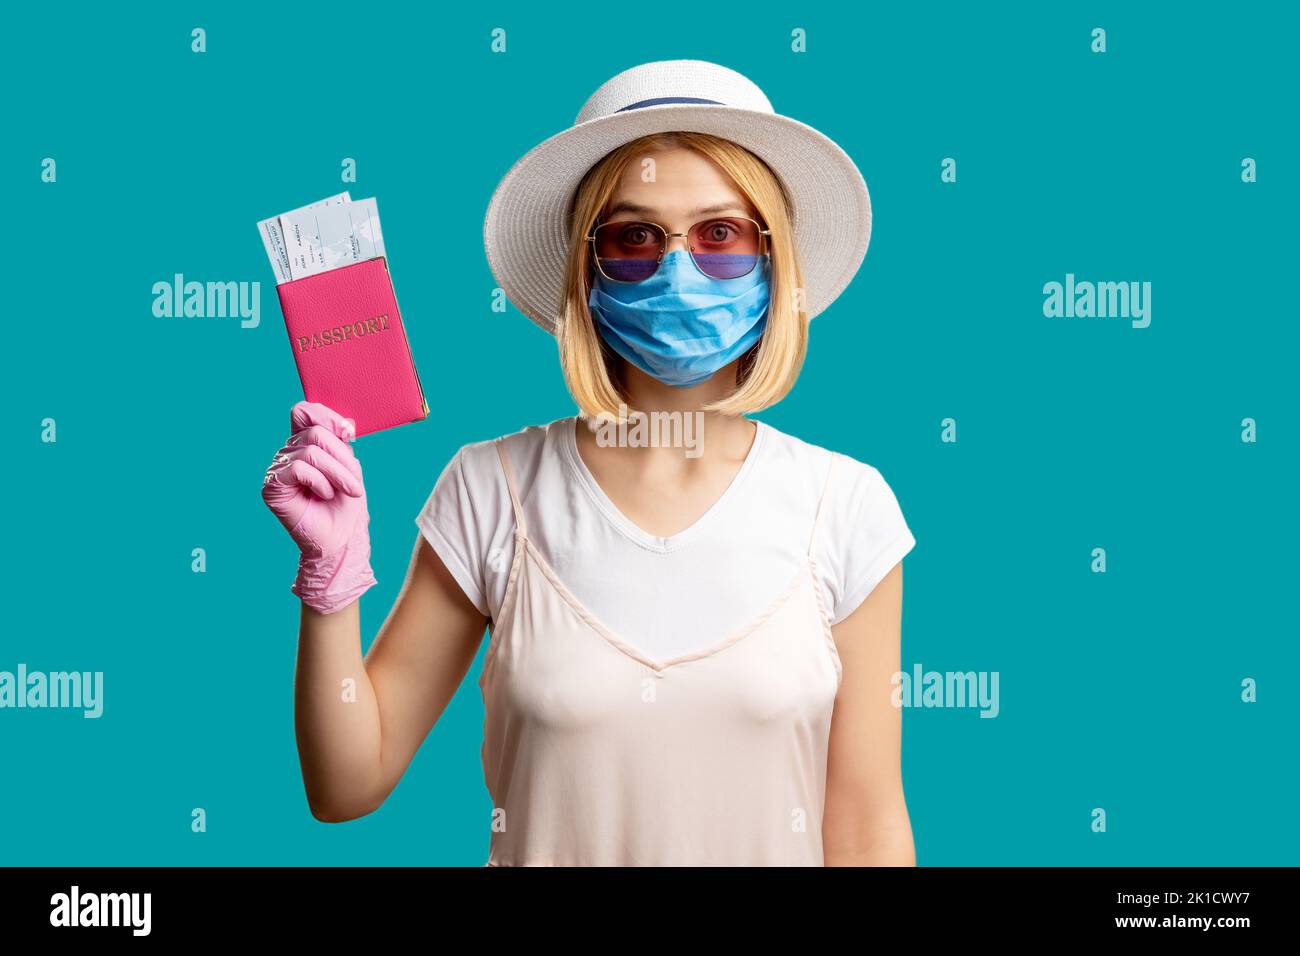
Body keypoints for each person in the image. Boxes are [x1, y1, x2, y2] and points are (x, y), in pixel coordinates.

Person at [262, 59, 917, 866]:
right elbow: (346, 785)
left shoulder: (846, 505)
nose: (678, 269)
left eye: (720, 234)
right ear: (587, 269)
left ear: (774, 261)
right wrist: (330, 585)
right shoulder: (488, 488)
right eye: (635, 237)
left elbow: (866, 824)